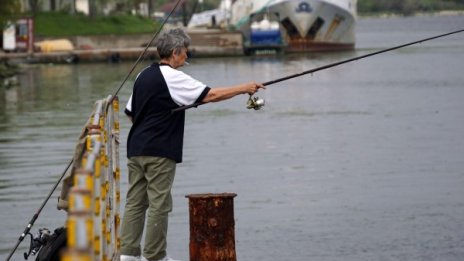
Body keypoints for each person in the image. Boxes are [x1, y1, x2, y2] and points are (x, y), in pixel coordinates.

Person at [120, 28, 265, 261]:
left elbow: (131, 113)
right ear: (176, 52)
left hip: (136, 149)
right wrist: (244, 88)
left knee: (135, 203)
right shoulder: (173, 76)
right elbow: (210, 95)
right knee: (160, 204)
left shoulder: (143, 75)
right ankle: (154, 256)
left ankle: (127, 256)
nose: (187, 57)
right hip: (159, 152)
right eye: (185, 52)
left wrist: (156, 117)